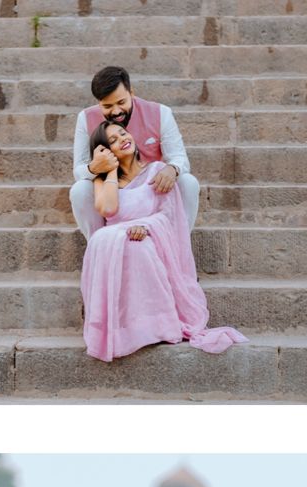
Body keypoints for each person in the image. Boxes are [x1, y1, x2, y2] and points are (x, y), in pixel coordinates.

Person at [80, 120, 247, 361]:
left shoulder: (157, 171)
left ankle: (154, 326)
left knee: (140, 250)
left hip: (150, 238)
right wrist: (110, 171)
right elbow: (108, 208)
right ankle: (122, 329)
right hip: (116, 243)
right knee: (105, 240)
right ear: (105, 150)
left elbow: (168, 216)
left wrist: (146, 226)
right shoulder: (103, 181)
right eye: (112, 141)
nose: (122, 139)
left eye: (123, 133)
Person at [70, 65, 200, 242]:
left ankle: (177, 245)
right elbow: (79, 170)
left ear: (131, 92)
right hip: (113, 194)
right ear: (98, 101)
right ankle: (99, 245)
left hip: (152, 193)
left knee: (189, 182)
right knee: (79, 190)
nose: (116, 111)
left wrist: (172, 169)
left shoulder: (161, 113)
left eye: (121, 102)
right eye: (107, 106)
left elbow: (179, 157)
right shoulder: (85, 118)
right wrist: (93, 168)